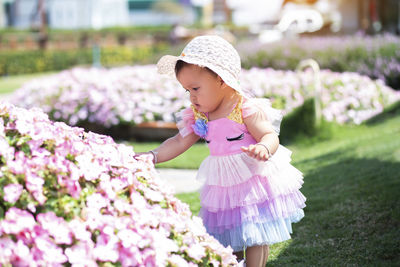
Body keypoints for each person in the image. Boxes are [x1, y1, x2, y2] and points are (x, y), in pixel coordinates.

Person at [138, 35, 306, 267]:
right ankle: (232, 263)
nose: (192, 97)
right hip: (222, 184)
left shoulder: (244, 108)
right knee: (228, 234)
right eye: (187, 90)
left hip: (251, 181)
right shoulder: (199, 114)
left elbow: (269, 134)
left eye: (196, 88)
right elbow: (178, 141)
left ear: (221, 80)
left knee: (255, 231)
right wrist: (153, 155)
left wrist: (263, 147)